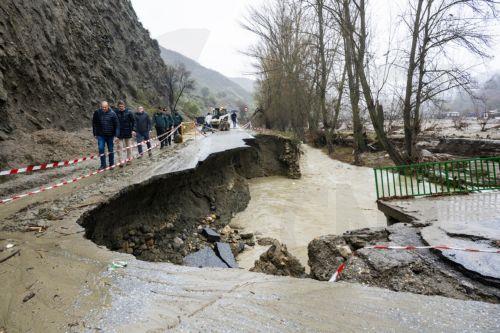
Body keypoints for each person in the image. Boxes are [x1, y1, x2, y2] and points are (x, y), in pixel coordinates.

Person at [92, 101, 119, 170]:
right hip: (101, 135)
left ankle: (111, 164)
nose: (104, 108)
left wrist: (116, 135)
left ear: (108, 106)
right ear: (101, 106)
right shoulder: (97, 113)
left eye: (105, 107)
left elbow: (117, 125)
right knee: (101, 149)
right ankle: (103, 165)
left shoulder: (113, 114)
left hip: (110, 135)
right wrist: (95, 133)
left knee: (110, 149)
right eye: (102, 107)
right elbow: (94, 123)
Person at [115, 101, 135, 166]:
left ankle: (129, 160)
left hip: (128, 132)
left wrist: (133, 130)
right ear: (118, 106)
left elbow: (133, 122)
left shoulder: (129, 112)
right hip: (119, 133)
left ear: (124, 106)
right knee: (119, 147)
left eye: (122, 106)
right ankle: (121, 161)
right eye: (119, 106)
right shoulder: (116, 112)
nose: (121, 107)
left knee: (129, 147)